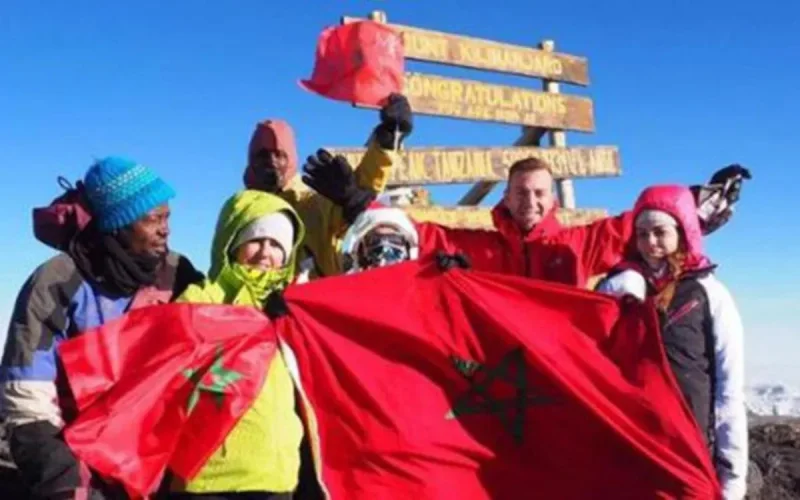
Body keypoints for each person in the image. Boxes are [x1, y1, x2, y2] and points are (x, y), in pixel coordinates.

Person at [0, 156, 202, 499]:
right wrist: (63, 477)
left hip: (154, 456)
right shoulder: (58, 280)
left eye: (167, 217)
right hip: (72, 450)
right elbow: (26, 392)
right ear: (117, 224)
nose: (165, 229)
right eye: (152, 219)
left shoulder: (178, 273)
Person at [302, 150, 750, 284]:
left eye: (539, 193)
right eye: (521, 192)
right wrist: (358, 201)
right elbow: (417, 237)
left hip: (557, 370)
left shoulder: (576, 245)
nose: (530, 202)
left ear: (551, 198)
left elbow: (638, 225)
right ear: (507, 196)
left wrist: (696, 200)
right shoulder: (479, 248)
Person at [596, 185, 747, 499]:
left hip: (690, 451)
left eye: (660, 232)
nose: (650, 243)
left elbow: (728, 387)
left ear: (683, 232)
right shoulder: (616, 290)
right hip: (632, 448)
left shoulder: (709, 293)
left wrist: (732, 475)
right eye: (641, 233)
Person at [168, 189, 307, 500]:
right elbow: (168, 372)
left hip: (278, 477)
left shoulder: (294, 307)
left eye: (276, 244)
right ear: (231, 243)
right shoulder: (201, 300)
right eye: (255, 239)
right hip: (208, 480)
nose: (264, 252)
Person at [243, 94, 413, 280]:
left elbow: (362, 191)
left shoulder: (313, 205)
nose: (272, 162)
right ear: (251, 159)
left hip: (311, 306)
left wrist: (387, 141)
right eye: (263, 155)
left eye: (279, 154)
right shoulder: (240, 211)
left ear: (291, 159)